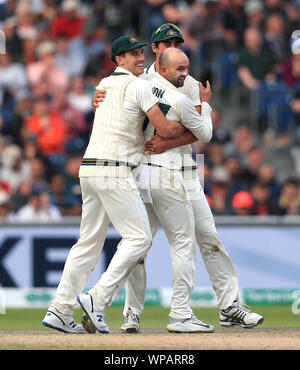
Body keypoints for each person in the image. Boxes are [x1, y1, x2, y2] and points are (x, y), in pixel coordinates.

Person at [93, 24, 264, 332]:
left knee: (209, 238)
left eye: (177, 42)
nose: (173, 45)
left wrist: (169, 141)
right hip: (148, 169)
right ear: (155, 50)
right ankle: (132, 313)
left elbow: (199, 130)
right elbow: (117, 105)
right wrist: (98, 99)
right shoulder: (138, 80)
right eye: (166, 42)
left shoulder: (188, 81)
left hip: (185, 167)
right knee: (139, 245)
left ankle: (229, 306)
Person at [42, 35, 192, 334]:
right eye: (130, 54)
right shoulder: (138, 85)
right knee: (138, 238)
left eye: (139, 52)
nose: (138, 57)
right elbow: (163, 129)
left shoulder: (103, 84)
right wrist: (197, 119)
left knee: (87, 243)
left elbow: (106, 104)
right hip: (114, 169)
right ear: (118, 60)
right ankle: (97, 299)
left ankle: (59, 309)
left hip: (89, 169)